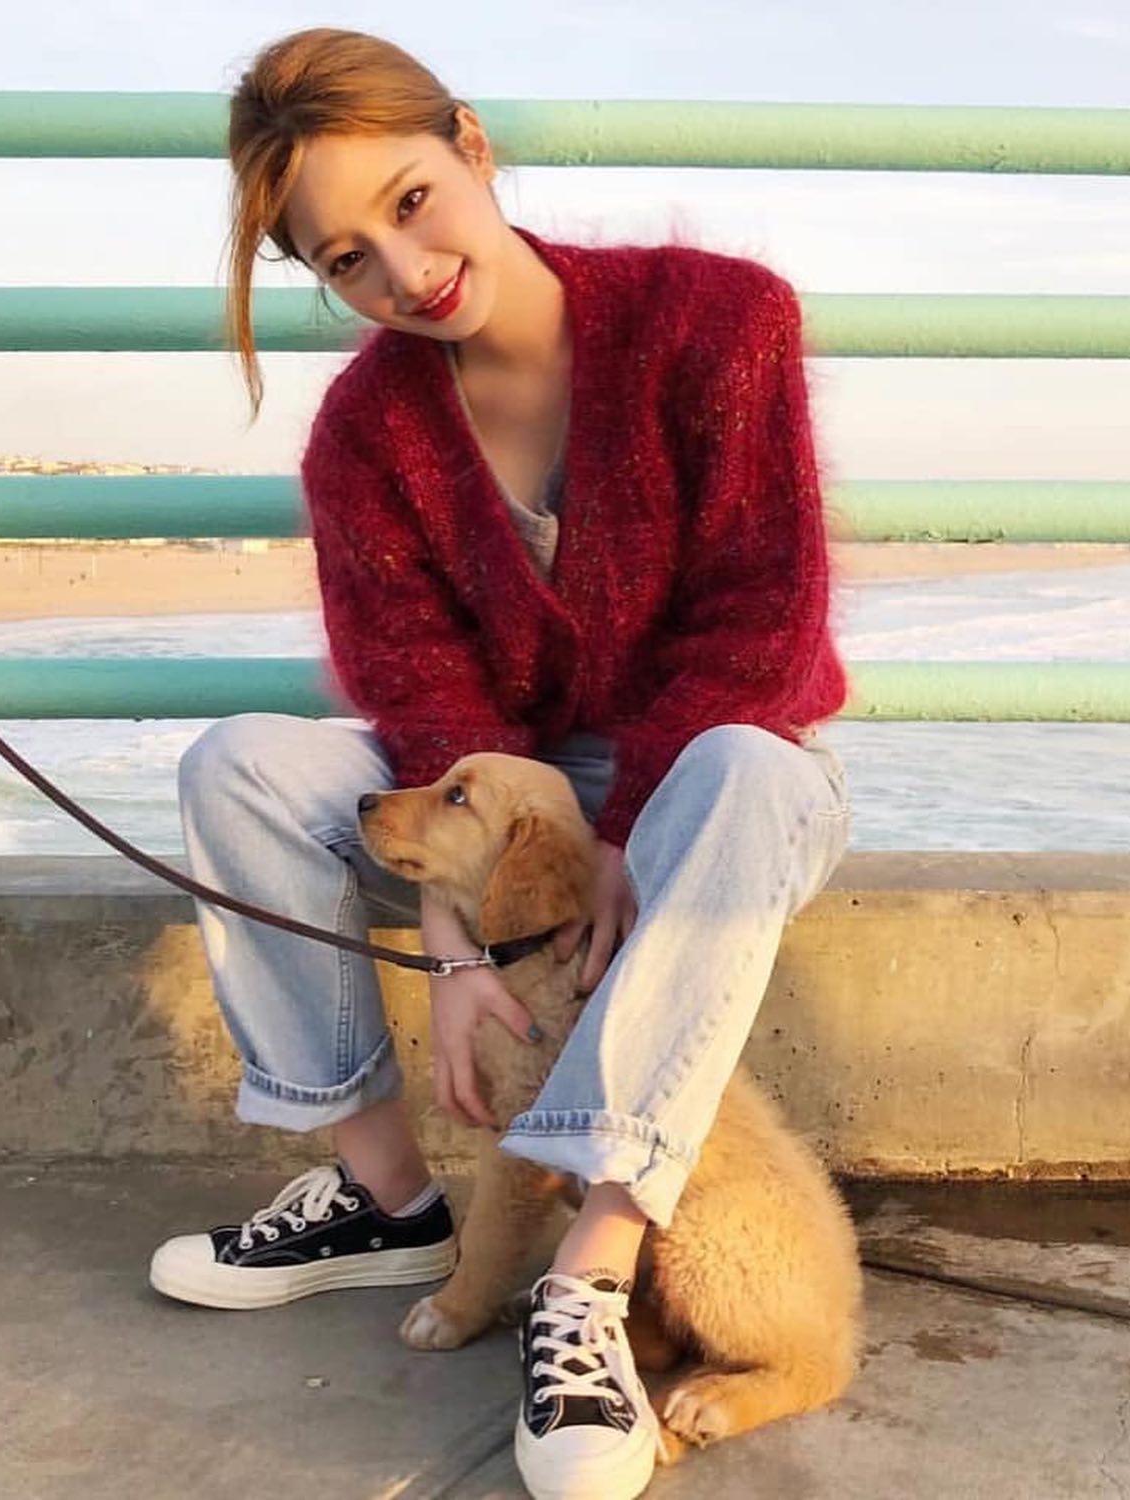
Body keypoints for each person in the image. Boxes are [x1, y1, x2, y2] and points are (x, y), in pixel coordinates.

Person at [149, 26, 853, 1500]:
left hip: (708, 779)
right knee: (238, 766)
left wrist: (619, 833)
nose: (406, 274)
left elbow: (760, 623)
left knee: (744, 764)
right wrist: (458, 939)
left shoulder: (718, 320)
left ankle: (590, 1272)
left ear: (469, 143)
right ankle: (390, 1199)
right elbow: (423, 695)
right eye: (347, 260)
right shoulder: (365, 435)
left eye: (411, 201)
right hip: (488, 792)